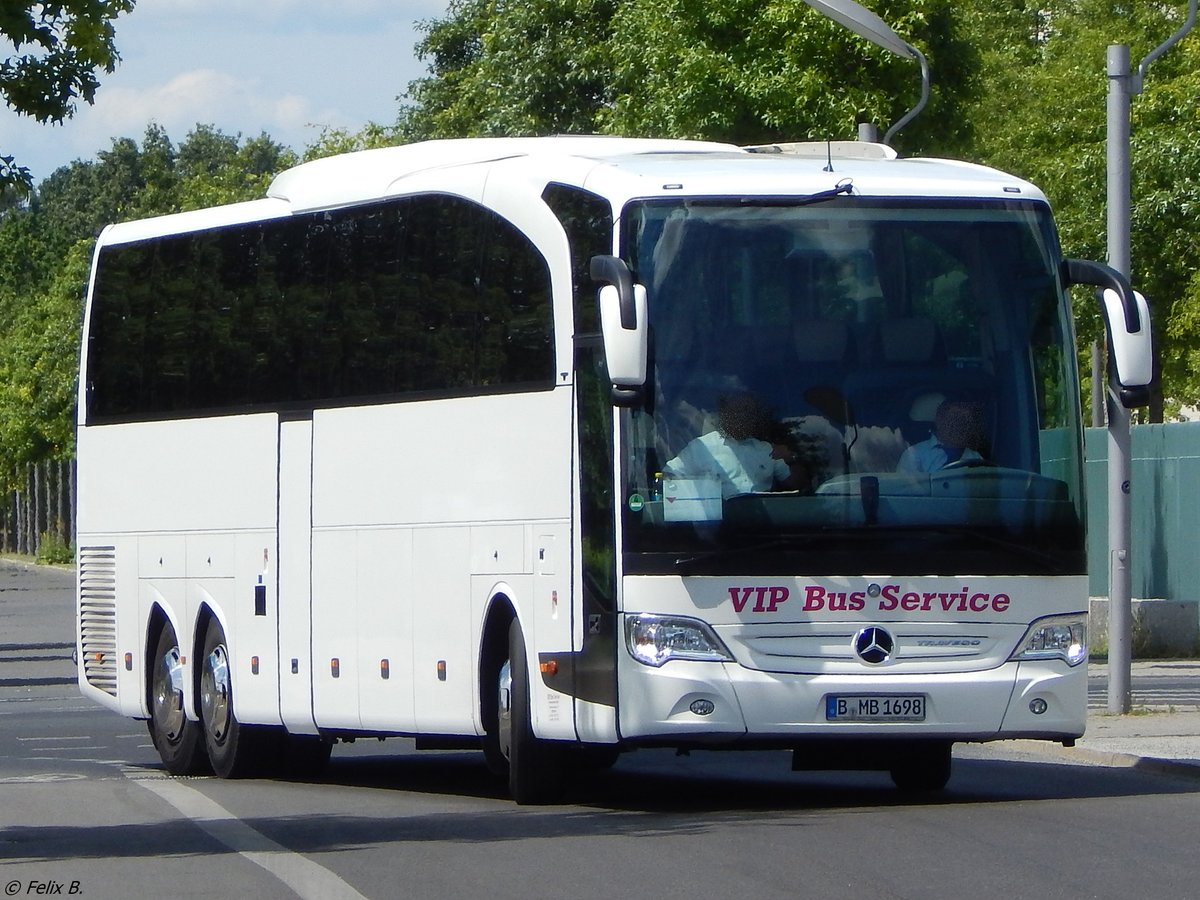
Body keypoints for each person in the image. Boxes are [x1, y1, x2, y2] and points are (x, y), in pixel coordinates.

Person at [665, 393, 808, 498]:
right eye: (738, 412)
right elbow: (669, 475)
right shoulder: (701, 447)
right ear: (726, 416)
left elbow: (796, 484)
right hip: (716, 527)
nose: (743, 418)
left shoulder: (766, 449)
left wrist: (791, 458)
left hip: (763, 526)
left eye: (748, 413)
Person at [896, 399, 988, 473]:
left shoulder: (975, 458)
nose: (959, 426)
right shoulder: (915, 455)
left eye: (964, 421)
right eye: (954, 419)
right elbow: (906, 490)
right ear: (939, 421)